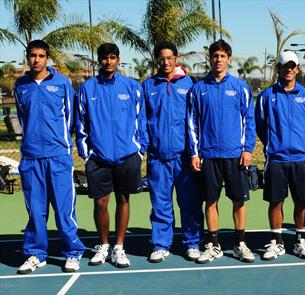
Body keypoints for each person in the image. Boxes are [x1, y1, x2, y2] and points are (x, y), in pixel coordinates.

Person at [14, 40, 85, 274]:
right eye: (32, 55)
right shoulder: (20, 85)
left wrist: (64, 146)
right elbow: (24, 118)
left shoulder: (62, 84)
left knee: (64, 209)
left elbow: (72, 119)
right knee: (36, 210)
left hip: (59, 157)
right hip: (31, 158)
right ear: (27, 57)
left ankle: (72, 253)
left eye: (41, 56)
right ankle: (36, 254)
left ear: (48, 58)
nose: (36, 60)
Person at [75, 43, 148, 268]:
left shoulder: (132, 86)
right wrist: (86, 154)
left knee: (123, 199)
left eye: (112, 57)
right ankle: (104, 245)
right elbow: (81, 123)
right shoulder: (87, 88)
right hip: (98, 158)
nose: (109, 62)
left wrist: (140, 149)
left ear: (118, 60)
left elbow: (141, 120)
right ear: (99, 61)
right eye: (105, 58)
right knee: (101, 202)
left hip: (127, 156)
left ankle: (119, 247)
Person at [188, 39, 256, 263]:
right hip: (208, 156)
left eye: (222, 56)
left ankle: (240, 244)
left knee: (239, 201)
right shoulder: (198, 89)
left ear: (229, 59)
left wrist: (247, 150)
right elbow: (192, 123)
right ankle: (214, 244)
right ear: (210, 59)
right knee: (211, 201)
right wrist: (195, 153)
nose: (218, 60)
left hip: (235, 156)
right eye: (215, 56)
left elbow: (249, 120)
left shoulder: (240, 87)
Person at [142, 42, 203, 263]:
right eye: (162, 58)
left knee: (189, 203)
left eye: (169, 58)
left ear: (176, 58)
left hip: (185, 157)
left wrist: (196, 151)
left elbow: (197, 118)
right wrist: (145, 146)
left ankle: (192, 243)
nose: (166, 62)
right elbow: (142, 119)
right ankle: (161, 245)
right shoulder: (148, 85)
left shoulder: (191, 84)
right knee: (160, 202)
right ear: (157, 60)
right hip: (158, 157)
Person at [255, 51, 305, 261]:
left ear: (298, 69)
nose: (289, 69)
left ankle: (301, 241)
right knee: (276, 202)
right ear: (278, 69)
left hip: (300, 158)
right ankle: (277, 242)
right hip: (276, 158)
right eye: (285, 66)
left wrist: (301, 143)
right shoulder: (266, 96)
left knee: (301, 202)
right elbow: (261, 126)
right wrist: (274, 143)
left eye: (293, 66)